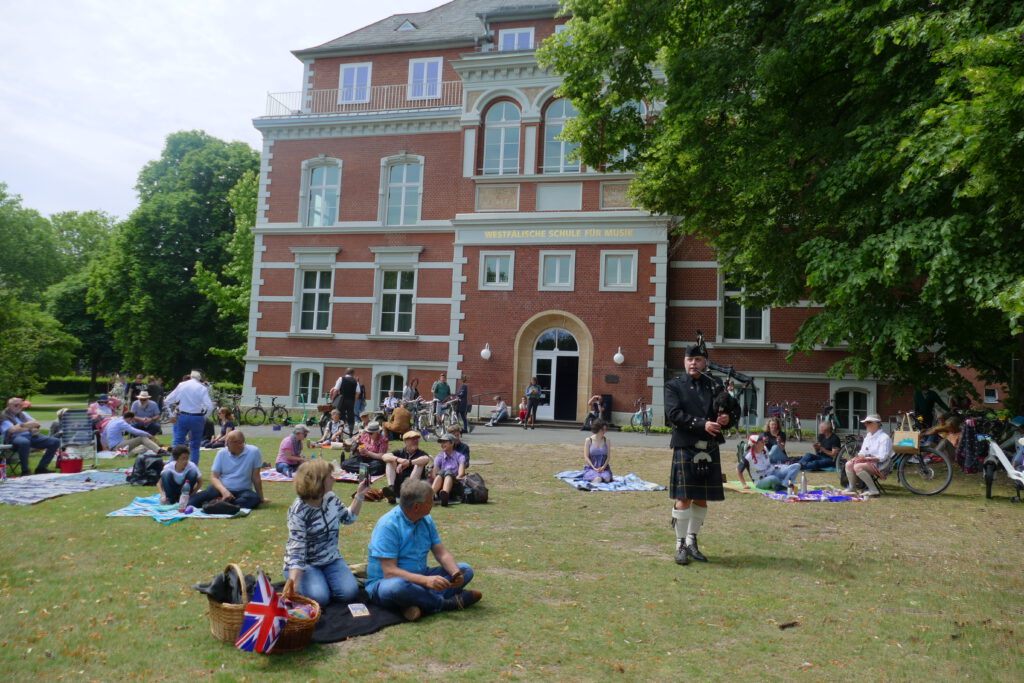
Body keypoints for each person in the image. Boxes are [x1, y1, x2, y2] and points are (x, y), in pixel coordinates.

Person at [365, 478, 482, 622]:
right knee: (398, 587)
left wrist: (455, 573)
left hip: (419, 577)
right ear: (416, 507)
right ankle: (446, 603)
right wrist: (426, 581)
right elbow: (390, 572)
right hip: (386, 583)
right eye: (430, 501)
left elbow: (441, 552)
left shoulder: (426, 519)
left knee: (466, 569)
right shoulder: (388, 525)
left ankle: (416, 602)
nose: (433, 503)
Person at [664, 341, 738, 565]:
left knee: (702, 498)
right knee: (683, 498)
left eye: (697, 360)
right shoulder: (674, 386)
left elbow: (734, 410)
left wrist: (727, 419)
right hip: (686, 446)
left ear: (705, 362)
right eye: (689, 360)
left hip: (709, 448)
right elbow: (673, 414)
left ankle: (692, 540)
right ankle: (680, 546)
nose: (693, 363)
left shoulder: (714, 385)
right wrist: (702, 424)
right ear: (684, 362)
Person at [284, 459, 369, 606]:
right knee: (320, 598)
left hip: (332, 559)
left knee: (350, 593)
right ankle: (313, 581)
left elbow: (348, 518)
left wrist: (359, 495)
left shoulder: (330, 498)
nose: (334, 479)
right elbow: (296, 551)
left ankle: (326, 580)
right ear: (318, 481)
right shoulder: (298, 510)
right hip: (307, 563)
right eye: (330, 476)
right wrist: (294, 584)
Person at [188, 430, 267, 510]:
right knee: (192, 502)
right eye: (225, 441)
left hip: (243, 491)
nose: (226, 445)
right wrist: (224, 491)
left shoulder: (254, 452)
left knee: (254, 499)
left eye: (228, 442)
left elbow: (256, 477)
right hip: (221, 489)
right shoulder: (222, 453)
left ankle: (217, 504)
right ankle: (226, 504)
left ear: (239, 443)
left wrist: (261, 498)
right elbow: (214, 477)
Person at [165, 370, 214, 465]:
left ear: (191, 377)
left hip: (183, 416)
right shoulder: (202, 388)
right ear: (199, 378)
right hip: (197, 418)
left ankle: (172, 466)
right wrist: (204, 417)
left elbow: (167, 401)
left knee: (177, 443)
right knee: (195, 446)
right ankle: (194, 469)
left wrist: (171, 415)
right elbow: (210, 407)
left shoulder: (182, 385)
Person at [1, 397, 60, 475]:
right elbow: (13, 430)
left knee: (55, 441)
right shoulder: (3, 416)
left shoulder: (23, 414)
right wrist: (29, 426)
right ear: (8, 405)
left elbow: (37, 424)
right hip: (14, 438)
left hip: (31, 436)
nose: (18, 407)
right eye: (16, 405)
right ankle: (25, 471)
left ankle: (41, 468)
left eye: (20, 405)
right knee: (24, 442)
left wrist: (22, 425)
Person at [842, 414, 893, 497]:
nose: (866, 425)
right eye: (865, 423)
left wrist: (866, 459)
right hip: (870, 461)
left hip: (883, 464)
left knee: (857, 467)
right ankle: (852, 489)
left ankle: (874, 490)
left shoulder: (884, 438)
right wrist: (860, 457)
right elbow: (863, 451)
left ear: (875, 424)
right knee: (849, 464)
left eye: (868, 422)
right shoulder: (868, 436)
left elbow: (882, 457)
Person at [381, 431, 431, 504]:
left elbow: (426, 459)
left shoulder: (421, 454)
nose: (415, 441)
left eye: (417, 439)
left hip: (414, 489)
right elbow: (384, 456)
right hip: (399, 485)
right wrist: (399, 460)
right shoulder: (400, 452)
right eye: (412, 439)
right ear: (405, 441)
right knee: (390, 461)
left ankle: (409, 491)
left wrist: (409, 462)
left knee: (419, 464)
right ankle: (391, 488)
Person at [432, 433, 466, 506]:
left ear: (452, 443)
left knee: (448, 474)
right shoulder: (439, 457)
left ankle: (445, 494)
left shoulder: (460, 456)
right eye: (441, 442)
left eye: (445, 442)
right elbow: (435, 473)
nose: (442, 444)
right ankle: (431, 495)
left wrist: (453, 477)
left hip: (455, 484)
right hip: (440, 483)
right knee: (441, 474)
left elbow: (461, 473)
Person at [582, 419, 613, 483]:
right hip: (591, 468)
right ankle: (594, 478)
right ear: (597, 429)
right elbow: (586, 457)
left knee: (607, 478)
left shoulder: (607, 441)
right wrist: (594, 468)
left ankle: (601, 477)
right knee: (598, 479)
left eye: (605, 429)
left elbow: (608, 457)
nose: (604, 431)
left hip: (604, 469)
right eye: (602, 430)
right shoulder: (588, 440)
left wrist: (603, 467)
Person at [331, 368, 358, 434]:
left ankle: (341, 430)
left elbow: (336, 390)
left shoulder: (341, 379)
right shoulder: (355, 381)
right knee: (350, 415)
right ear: (353, 374)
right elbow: (358, 392)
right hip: (351, 400)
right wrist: (354, 401)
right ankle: (350, 431)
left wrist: (333, 398)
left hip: (342, 400)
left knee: (340, 414)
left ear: (346, 373)